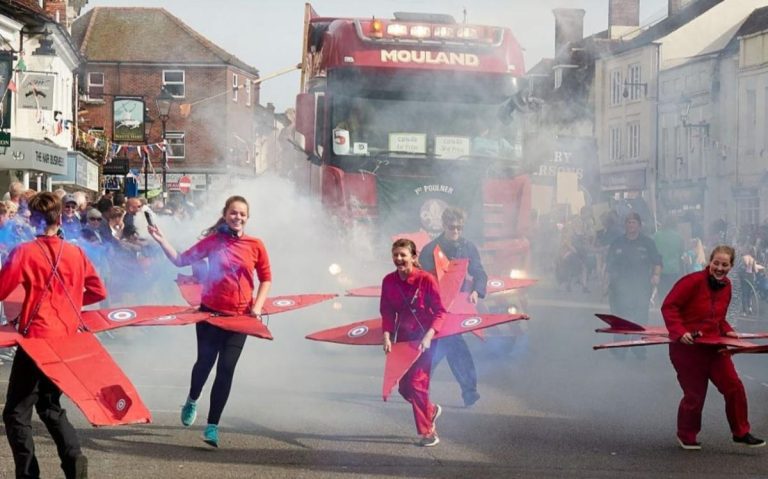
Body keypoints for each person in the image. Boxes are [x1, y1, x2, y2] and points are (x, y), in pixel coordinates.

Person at [148, 195, 272, 448]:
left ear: (248, 218)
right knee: (204, 364)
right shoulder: (214, 242)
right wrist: (161, 240)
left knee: (226, 370)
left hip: (240, 319)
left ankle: (212, 426)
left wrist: (257, 308)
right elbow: (180, 260)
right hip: (211, 315)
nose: (238, 217)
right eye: (233, 213)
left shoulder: (255, 245)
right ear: (225, 214)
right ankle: (193, 398)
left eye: (242, 214)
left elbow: (266, 279)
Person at [0, 191, 107, 478]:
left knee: (16, 413)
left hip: (36, 340)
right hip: (66, 340)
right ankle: (74, 459)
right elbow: (99, 291)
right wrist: (69, 304)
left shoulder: (24, 252)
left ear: (34, 219)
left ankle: (28, 474)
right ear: (59, 218)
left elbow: (1, 290)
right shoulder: (76, 252)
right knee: (49, 405)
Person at [661, 245, 765, 450]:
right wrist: (680, 332)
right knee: (695, 395)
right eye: (716, 263)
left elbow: (718, 318)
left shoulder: (726, 285)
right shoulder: (691, 282)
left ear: (731, 266)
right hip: (687, 349)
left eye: (724, 264)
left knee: (734, 386)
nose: (719, 268)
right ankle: (686, 435)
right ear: (710, 261)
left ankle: (741, 432)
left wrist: (727, 330)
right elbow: (669, 306)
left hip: (714, 347)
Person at [381, 238, 446, 447]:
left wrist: (428, 336)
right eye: (395, 255)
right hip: (404, 337)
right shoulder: (388, 281)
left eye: (403, 255)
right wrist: (386, 336)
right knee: (404, 388)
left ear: (413, 257)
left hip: (426, 337)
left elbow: (440, 312)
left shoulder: (426, 280)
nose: (399, 259)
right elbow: (387, 311)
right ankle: (431, 410)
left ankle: (429, 433)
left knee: (418, 383)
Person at [420, 207, 485, 407]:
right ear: (443, 225)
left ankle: (468, 391)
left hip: (456, 307)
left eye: (459, 227)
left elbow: (480, 273)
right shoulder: (430, 249)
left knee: (448, 346)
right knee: (440, 348)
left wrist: (476, 291)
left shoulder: (468, 247)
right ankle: (416, 386)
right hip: (434, 307)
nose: (456, 231)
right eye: (452, 227)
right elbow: (419, 277)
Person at [605, 212, 662, 359]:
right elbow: (609, 265)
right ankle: (620, 349)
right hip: (619, 288)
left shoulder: (647, 242)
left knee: (640, 318)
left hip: (641, 287)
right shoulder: (617, 242)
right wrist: (605, 283)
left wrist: (656, 275)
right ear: (625, 225)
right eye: (628, 222)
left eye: (634, 222)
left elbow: (657, 262)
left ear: (639, 225)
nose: (631, 225)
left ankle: (639, 349)